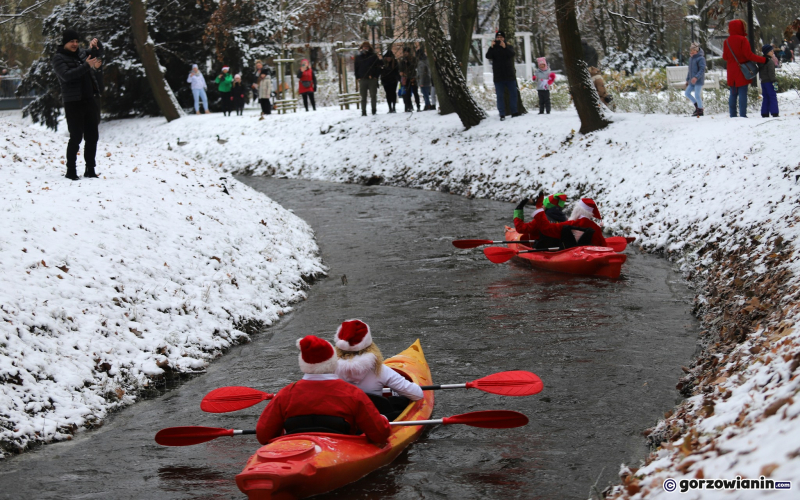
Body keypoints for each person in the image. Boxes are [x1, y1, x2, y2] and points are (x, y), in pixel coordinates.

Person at [255, 335, 391, 445]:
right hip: (341, 451)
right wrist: (383, 419)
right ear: (333, 361)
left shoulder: (285, 393)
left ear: (303, 363)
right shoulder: (352, 393)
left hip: (296, 449)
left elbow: (263, 436)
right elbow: (379, 435)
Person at [334, 320, 424, 421]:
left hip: (343, 419)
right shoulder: (380, 370)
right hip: (372, 421)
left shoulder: (328, 370)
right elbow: (417, 394)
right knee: (400, 401)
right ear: (369, 344)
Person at [52, 29, 104, 180]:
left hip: (89, 100)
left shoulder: (82, 53)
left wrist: (96, 44)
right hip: (73, 102)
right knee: (76, 137)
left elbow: (97, 54)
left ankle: (90, 169)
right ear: (65, 43)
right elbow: (67, 76)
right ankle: (71, 170)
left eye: (76, 41)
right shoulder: (58, 58)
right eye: (71, 42)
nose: (74, 44)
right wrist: (87, 66)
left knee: (92, 136)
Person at [722, 19, 766, 118]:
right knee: (742, 93)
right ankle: (743, 114)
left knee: (733, 93)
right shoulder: (743, 40)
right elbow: (749, 55)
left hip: (731, 71)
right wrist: (763, 60)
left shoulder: (726, 41)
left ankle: (733, 115)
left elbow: (725, 57)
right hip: (742, 70)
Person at [485, 31, 518, 121]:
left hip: (509, 75)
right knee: (499, 96)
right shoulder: (493, 48)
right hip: (498, 77)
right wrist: (491, 47)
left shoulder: (508, 46)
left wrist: (505, 47)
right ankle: (502, 113)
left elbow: (512, 54)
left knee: (513, 94)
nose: (499, 39)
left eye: (501, 37)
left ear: (504, 38)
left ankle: (514, 111)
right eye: (498, 37)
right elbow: (488, 56)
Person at [355, 42, 382, 116]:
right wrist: (358, 77)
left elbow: (378, 67)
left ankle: (374, 110)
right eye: (364, 46)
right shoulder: (358, 57)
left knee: (373, 95)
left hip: (372, 79)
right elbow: (356, 68)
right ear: (362, 47)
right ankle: (363, 111)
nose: (365, 48)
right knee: (363, 97)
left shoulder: (373, 56)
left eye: (367, 46)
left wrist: (376, 76)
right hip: (362, 79)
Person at [684, 43, 706, 117]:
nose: (692, 52)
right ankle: (697, 106)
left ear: (697, 51)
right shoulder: (691, 59)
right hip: (691, 81)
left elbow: (702, 69)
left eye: (693, 50)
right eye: (691, 50)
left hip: (698, 80)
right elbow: (689, 71)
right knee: (687, 93)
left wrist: (696, 77)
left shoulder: (701, 58)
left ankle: (700, 110)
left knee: (697, 95)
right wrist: (687, 79)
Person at [760, 45, 780, 118]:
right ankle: (774, 112)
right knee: (772, 96)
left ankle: (764, 112)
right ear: (767, 52)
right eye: (771, 51)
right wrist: (774, 82)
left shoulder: (761, 61)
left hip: (763, 82)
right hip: (770, 81)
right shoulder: (770, 61)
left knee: (766, 97)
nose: (773, 52)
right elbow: (771, 73)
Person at [398, 47, 420, 112]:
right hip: (405, 78)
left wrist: (409, 63)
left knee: (415, 92)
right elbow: (400, 68)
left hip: (413, 77)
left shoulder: (413, 59)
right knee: (407, 93)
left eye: (407, 52)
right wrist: (401, 72)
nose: (406, 54)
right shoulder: (402, 61)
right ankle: (408, 106)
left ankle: (418, 106)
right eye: (404, 52)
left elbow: (415, 66)